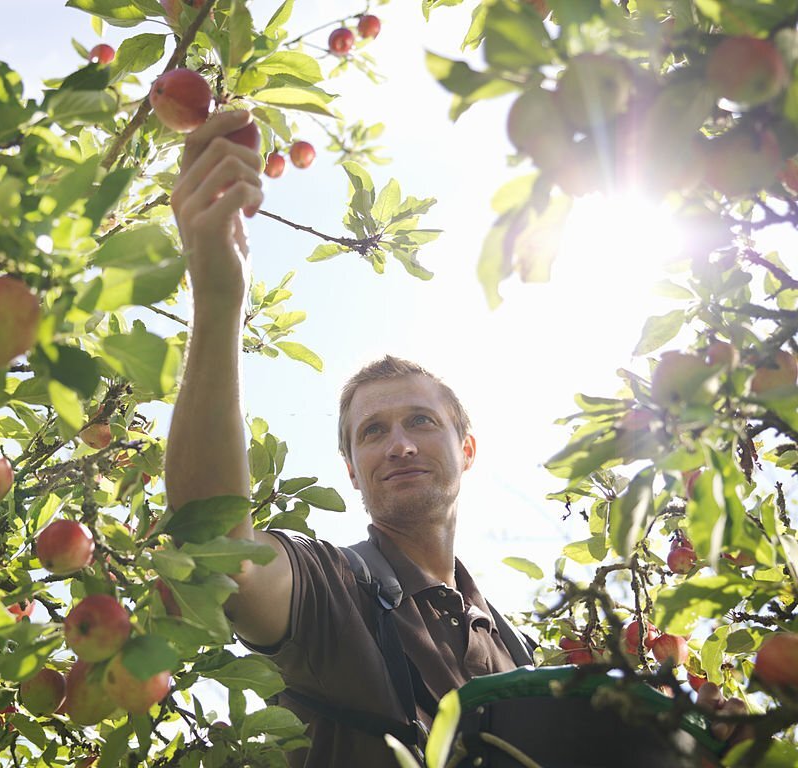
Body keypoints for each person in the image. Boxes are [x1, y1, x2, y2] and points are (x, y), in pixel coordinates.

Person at [164, 111, 748, 768]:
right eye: (373, 432)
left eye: (421, 421)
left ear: (467, 451)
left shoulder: (514, 651)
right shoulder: (333, 589)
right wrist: (219, 298)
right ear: (352, 470)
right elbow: (217, 552)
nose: (400, 445)